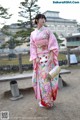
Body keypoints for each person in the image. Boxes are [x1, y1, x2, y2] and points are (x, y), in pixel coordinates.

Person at [30, 14, 59, 108]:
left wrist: (51, 56)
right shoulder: (33, 33)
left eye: (44, 18)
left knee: (47, 78)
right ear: (36, 20)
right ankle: (43, 100)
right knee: (40, 80)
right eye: (41, 18)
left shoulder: (47, 31)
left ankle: (48, 101)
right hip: (39, 60)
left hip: (47, 58)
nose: (43, 20)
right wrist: (36, 58)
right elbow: (32, 46)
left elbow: (53, 44)